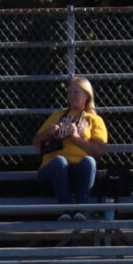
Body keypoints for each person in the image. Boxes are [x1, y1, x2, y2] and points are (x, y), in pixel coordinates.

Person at [32, 77, 109, 213]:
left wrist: (76, 137)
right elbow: (36, 142)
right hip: (54, 170)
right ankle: (65, 210)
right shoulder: (58, 115)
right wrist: (49, 133)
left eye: (76, 92)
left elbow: (99, 151)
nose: (72, 96)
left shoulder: (94, 119)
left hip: (80, 172)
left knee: (89, 162)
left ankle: (81, 210)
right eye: (69, 92)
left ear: (87, 95)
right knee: (59, 161)